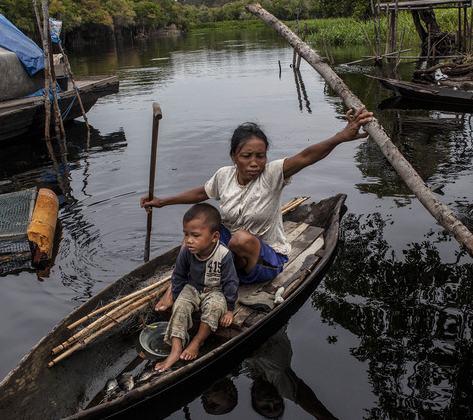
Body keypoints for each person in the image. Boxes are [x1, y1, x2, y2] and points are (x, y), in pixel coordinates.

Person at [142, 107, 373, 297]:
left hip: (265, 257)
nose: (254, 163)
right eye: (247, 156)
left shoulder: (272, 175)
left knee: (240, 238)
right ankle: (174, 288)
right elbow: (201, 193)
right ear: (234, 157)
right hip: (231, 248)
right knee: (194, 228)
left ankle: (220, 279)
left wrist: (340, 137)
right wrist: (162, 202)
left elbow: (306, 156)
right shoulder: (224, 175)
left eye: (260, 156)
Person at [155, 203, 238, 373]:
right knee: (179, 307)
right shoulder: (187, 252)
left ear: (214, 237)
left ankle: (197, 341)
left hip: (215, 290)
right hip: (192, 288)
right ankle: (176, 349)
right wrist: (178, 298)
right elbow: (178, 275)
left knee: (214, 308)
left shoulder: (224, 254)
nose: (189, 240)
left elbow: (231, 282)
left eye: (195, 235)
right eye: (186, 234)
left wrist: (229, 309)